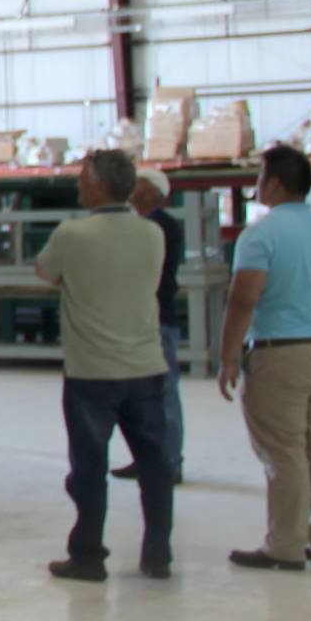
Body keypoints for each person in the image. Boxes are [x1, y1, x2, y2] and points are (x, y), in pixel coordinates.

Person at [219, 144, 311, 573]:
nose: (256, 186)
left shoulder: (260, 235)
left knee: (284, 454)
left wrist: (228, 357)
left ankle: (285, 545)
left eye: (260, 178)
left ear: (275, 183)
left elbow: (243, 299)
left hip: (280, 356)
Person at [35, 147, 173, 582]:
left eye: (81, 177)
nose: (77, 184)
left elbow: (45, 271)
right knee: (155, 465)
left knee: (90, 468)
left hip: (91, 372)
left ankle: (88, 554)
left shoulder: (72, 235)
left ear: (97, 185)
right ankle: (157, 554)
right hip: (145, 365)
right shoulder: (153, 234)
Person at [114, 168, 187, 485]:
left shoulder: (161, 225)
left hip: (156, 318)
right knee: (140, 394)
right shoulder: (142, 224)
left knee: (164, 391)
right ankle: (148, 456)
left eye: (138, 184)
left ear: (153, 191)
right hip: (141, 316)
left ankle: (170, 460)